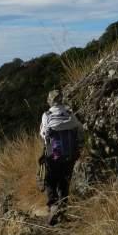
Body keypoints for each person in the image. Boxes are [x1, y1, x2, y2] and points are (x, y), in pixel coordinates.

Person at [39, 90, 84, 225]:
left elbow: (43, 133)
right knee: (64, 181)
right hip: (70, 155)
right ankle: (63, 210)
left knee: (49, 180)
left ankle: (53, 205)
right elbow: (80, 130)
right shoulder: (70, 113)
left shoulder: (47, 115)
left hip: (53, 155)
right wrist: (79, 146)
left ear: (50, 101)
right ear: (61, 99)